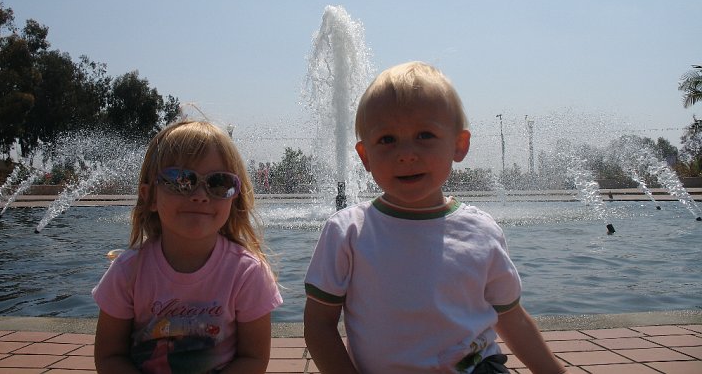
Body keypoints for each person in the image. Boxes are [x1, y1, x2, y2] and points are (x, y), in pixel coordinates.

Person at [304, 62, 566, 374]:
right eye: (387, 139)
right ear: (365, 156)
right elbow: (319, 325)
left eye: (424, 135)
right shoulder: (348, 232)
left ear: (459, 145)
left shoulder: (482, 230)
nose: (406, 153)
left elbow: (511, 316)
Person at [93, 120, 282, 374]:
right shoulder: (128, 272)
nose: (200, 194)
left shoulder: (246, 273)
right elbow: (109, 356)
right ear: (149, 196)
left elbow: (253, 358)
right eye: (181, 180)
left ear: (234, 196)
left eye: (218, 183)